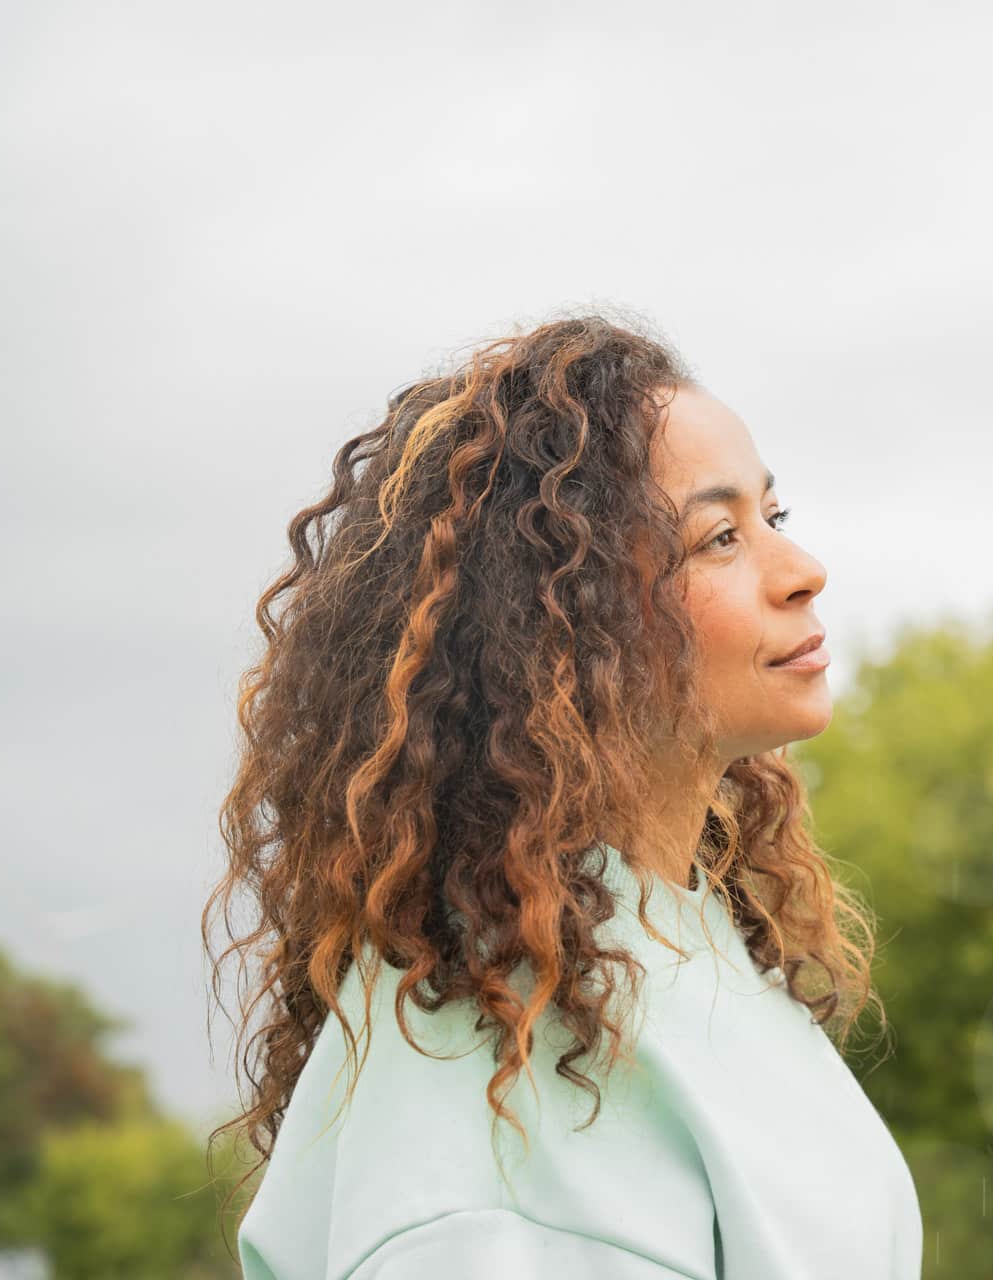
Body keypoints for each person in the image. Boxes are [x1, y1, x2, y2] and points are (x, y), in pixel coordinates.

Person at [204, 313, 922, 1278]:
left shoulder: (669, 938)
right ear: (564, 624)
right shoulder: (498, 1062)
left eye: (773, 519)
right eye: (718, 538)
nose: (801, 572)